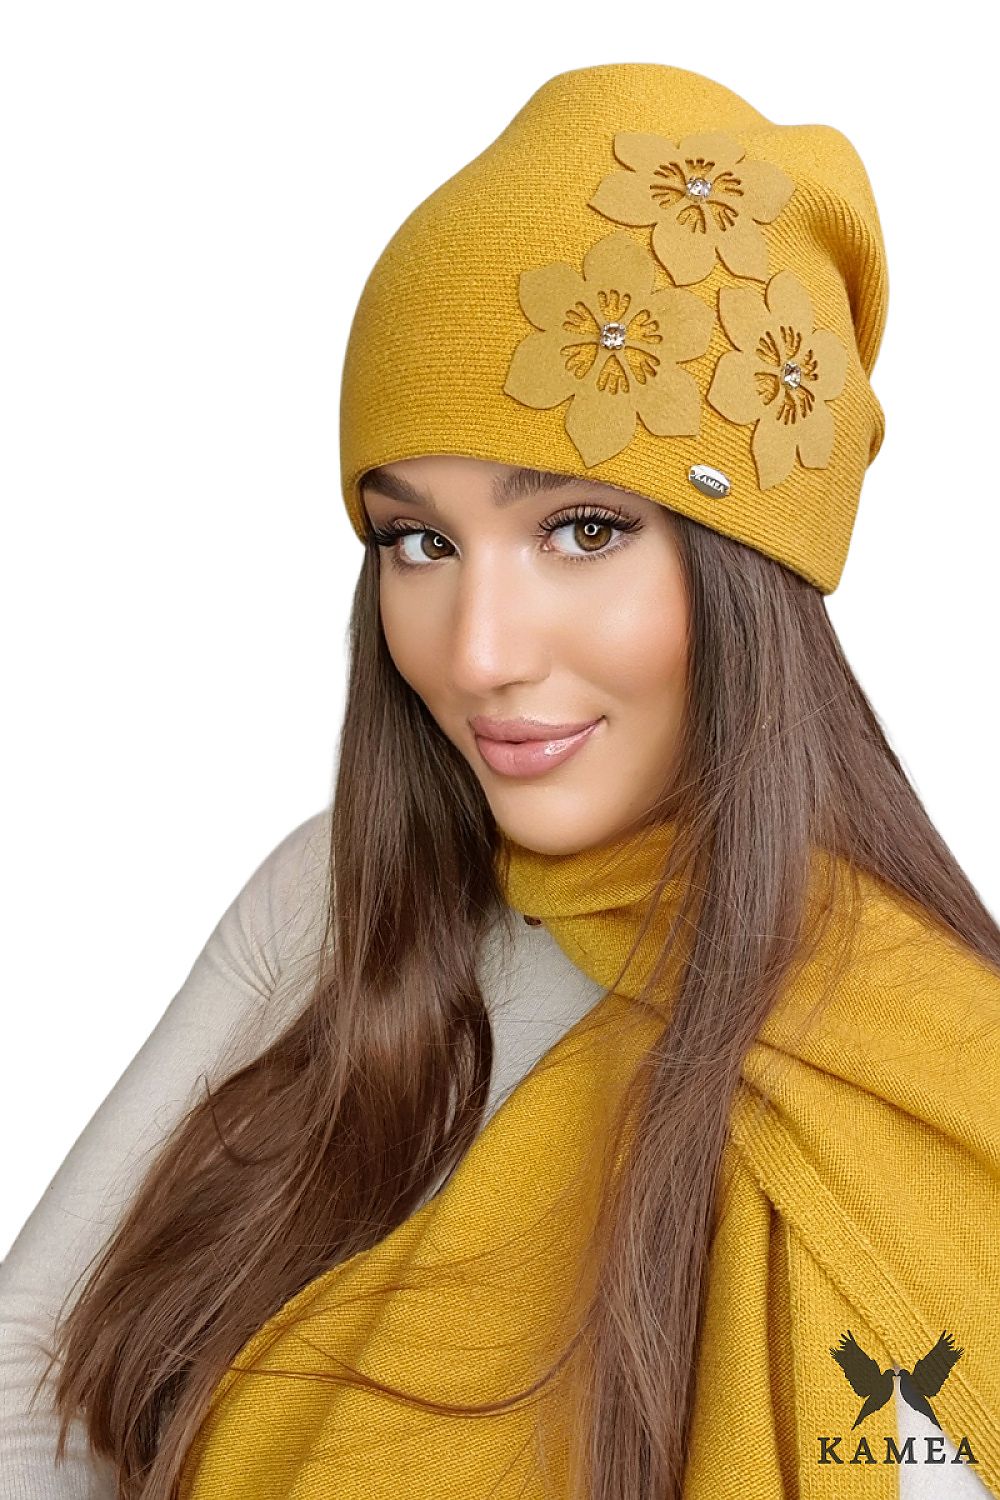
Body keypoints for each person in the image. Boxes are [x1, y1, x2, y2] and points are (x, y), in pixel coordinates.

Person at [2, 60, 999, 1500]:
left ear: (749, 575)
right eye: (419, 542)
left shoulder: (931, 1078)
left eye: (583, 531)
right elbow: (28, 1377)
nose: (476, 654)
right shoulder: (337, 896)